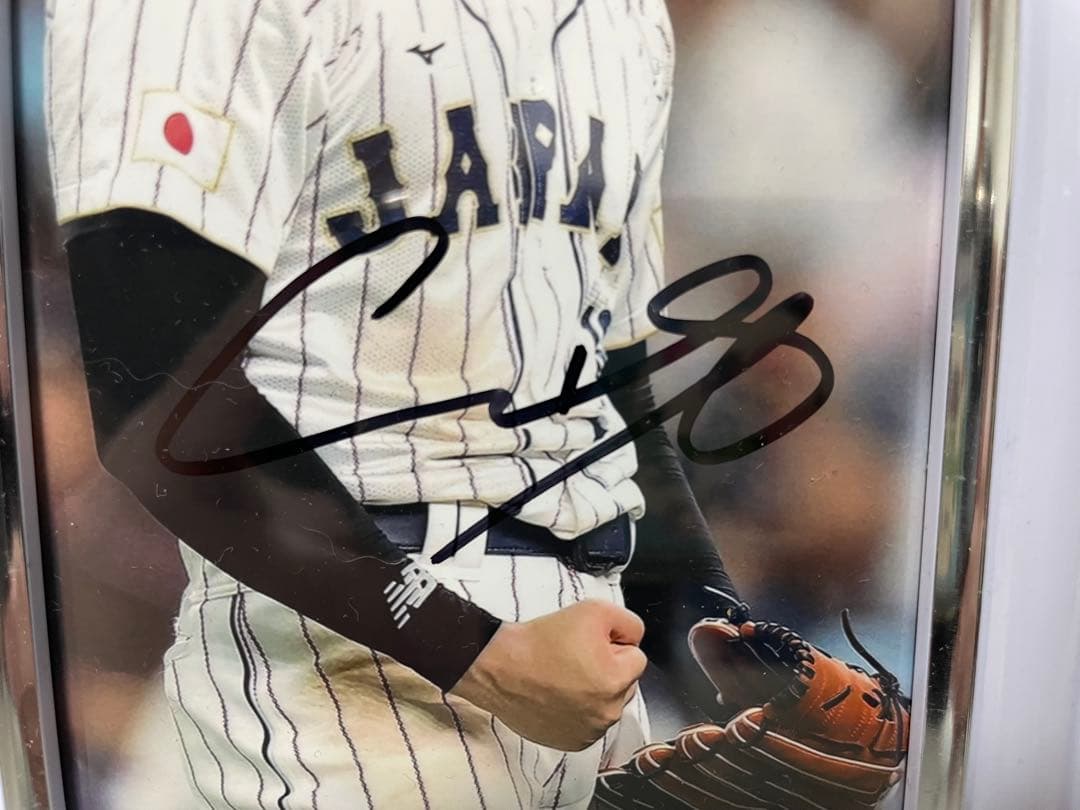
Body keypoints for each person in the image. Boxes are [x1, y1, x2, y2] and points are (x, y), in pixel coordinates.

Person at [45, 1, 740, 806]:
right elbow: (152, 389)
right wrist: (477, 654)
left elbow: (609, 388)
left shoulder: (627, 18)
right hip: (349, 659)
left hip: (594, 648)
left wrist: (743, 649)